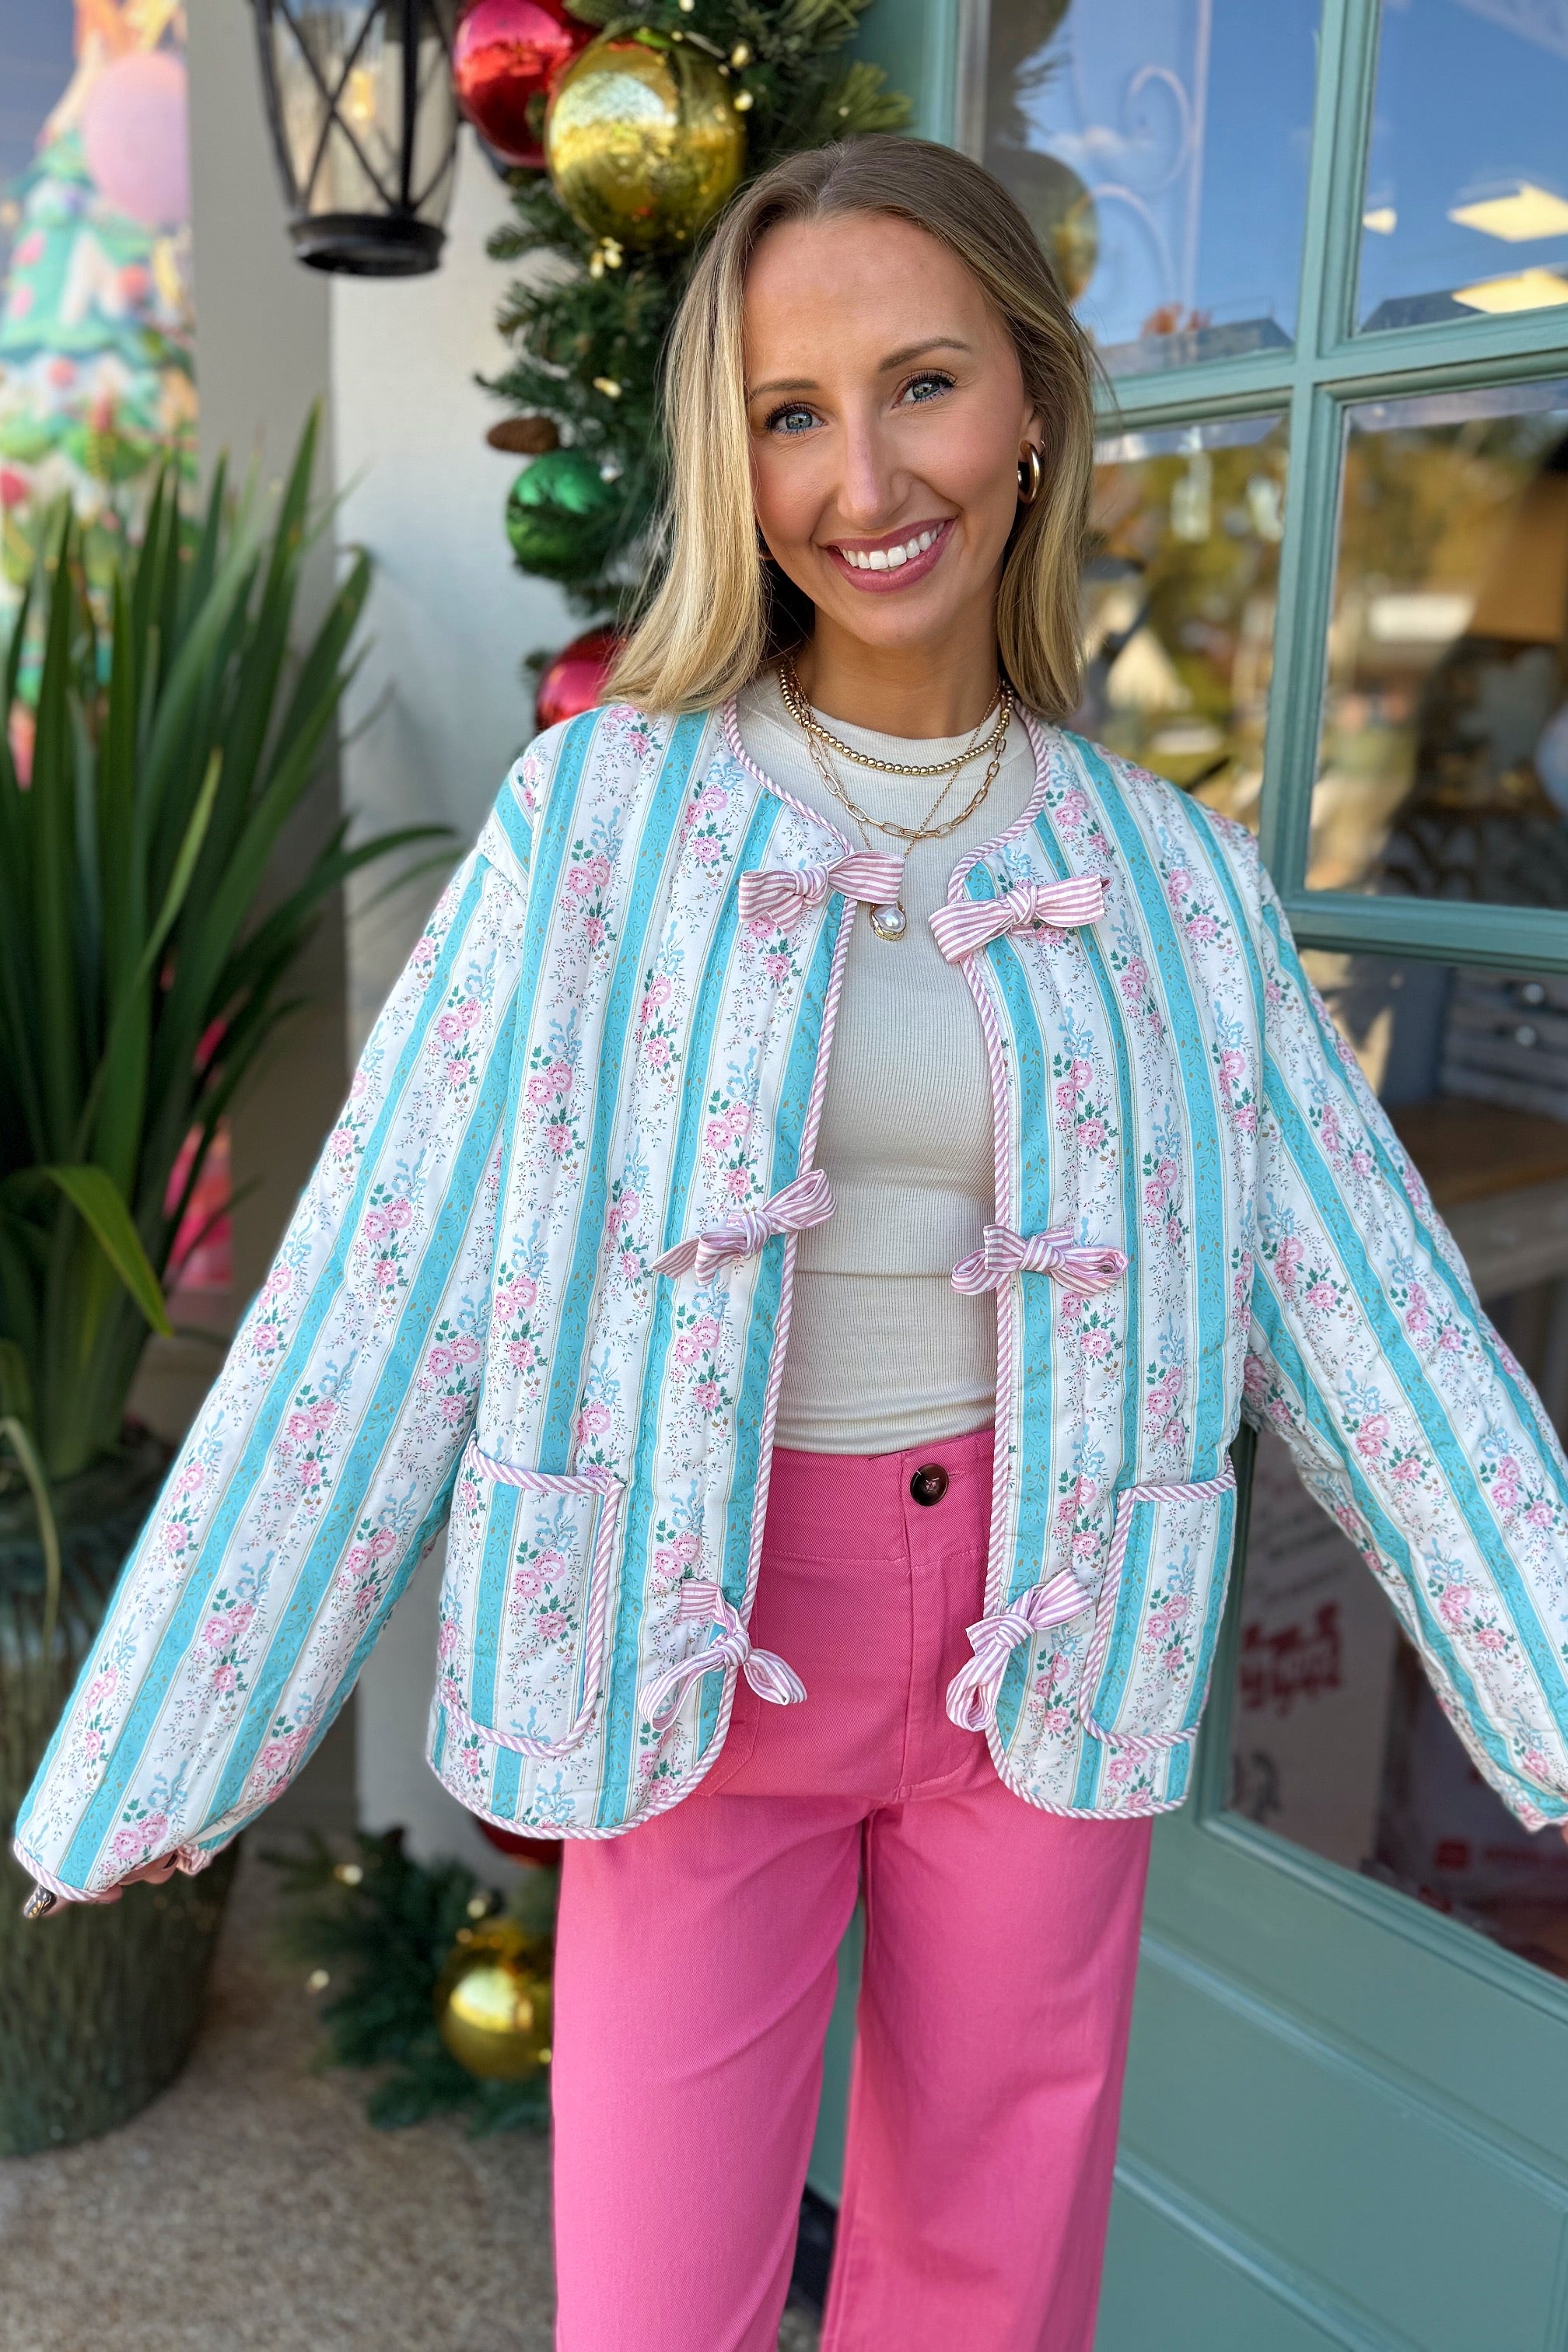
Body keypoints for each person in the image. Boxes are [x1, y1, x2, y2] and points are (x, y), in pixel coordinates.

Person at [17, 138, 1568, 2352]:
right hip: (686, 1632)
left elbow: (1372, 1312)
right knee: (657, 2302)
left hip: (1051, 1637)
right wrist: (181, 1726)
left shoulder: (1167, 874)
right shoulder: (603, 819)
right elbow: (382, 1271)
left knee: (992, 2285)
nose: (866, 479)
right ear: (730, 465)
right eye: (789, 414)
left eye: (922, 383)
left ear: (1031, 405)